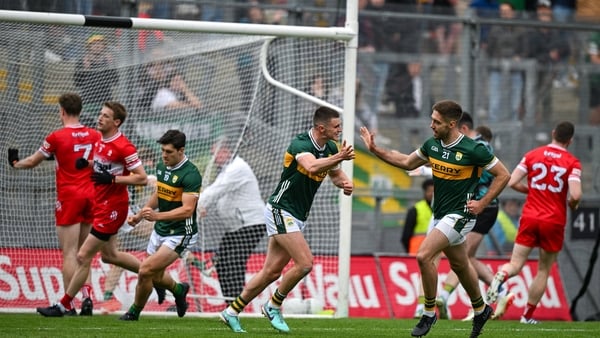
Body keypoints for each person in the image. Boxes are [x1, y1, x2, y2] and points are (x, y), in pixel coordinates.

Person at [359, 100, 510, 337]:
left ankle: (429, 313)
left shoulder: (473, 149)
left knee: (423, 255)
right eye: (432, 119)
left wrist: (482, 203)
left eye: (436, 122)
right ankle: (480, 308)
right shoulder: (433, 145)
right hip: (440, 215)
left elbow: (504, 175)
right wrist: (375, 150)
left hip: (461, 215)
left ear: (452, 124)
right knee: (460, 264)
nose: (431, 125)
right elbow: (406, 162)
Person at [219, 106, 355, 333]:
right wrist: (340, 156)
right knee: (305, 263)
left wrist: (345, 183)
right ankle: (273, 305)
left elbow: (334, 173)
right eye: (336, 126)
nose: (340, 130)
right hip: (280, 210)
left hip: (297, 215)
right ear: (321, 128)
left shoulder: (330, 147)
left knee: (271, 272)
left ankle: (231, 311)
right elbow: (311, 165)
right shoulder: (300, 144)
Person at [36, 101, 148, 317]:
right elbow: (103, 164)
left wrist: (112, 179)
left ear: (116, 122)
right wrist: (86, 164)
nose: (100, 118)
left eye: (106, 116)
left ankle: (64, 305)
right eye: (100, 113)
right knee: (110, 256)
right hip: (100, 205)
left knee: (82, 255)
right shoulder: (100, 142)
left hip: (113, 209)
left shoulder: (124, 146)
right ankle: (155, 276)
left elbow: (142, 178)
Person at [8, 92, 100, 316]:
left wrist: (16, 164)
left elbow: (32, 161)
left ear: (61, 111)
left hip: (69, 197)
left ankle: (69, 304)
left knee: (69, 253)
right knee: (84, 252)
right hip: (92, 195)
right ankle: (87, 296)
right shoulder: (95, 134)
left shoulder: (56, 137)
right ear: (80, 110)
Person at [487, 121, 582, 325]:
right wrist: (572, 205)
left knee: (515, 264)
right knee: (543, 270)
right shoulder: (572, 163)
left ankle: (502, 275)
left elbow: (512, 181)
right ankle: (527, 317)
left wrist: (532, 191)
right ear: (570, 140)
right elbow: (575, 194)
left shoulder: (533, 154)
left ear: (553, 133)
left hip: (530, 216)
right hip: (553, 220)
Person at [435, 112, 514, 321]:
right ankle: (502, 292)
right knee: (466, 256)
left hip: (482, 207)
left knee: (462, 256)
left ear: (462, 129)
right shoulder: (478, 147)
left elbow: (473, 171)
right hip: (481, 207)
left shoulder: (475, 147)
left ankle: (444, 295)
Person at [119, 129, 203, 321]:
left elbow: (187, 210)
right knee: (155, 276)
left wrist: (156, 216)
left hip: (181, 232)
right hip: (161, 229)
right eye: (163, 150)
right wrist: (141, 214)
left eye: (169, 152)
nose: (164, 155)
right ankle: (179, 289)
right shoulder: (162, 166)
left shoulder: (191, 174)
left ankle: (134, 311)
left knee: (145, 270)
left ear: (181, 151)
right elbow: (160, 193)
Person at [198, 139, 266, 304]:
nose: (213, 157)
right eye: (212, 153)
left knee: (233, 262)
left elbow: (215, 191)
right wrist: (202, 207)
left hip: (251, 224)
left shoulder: (237, 168)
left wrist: (195, 206)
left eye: (217, 153)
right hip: (236, 227)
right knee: (222, 263)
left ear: (227, 151)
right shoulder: (227, 169)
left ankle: (235, 306)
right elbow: (221, 194)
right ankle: (231, 304)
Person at [401, 178, 434, 319]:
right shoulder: (416, 209)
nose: (432, 194)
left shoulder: (442, 207)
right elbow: (405, 235)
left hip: (436, 254)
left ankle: (426, 306)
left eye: (435, 191)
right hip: (416, 254)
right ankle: (422, 307)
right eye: (430, 191)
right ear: (424, 192)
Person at [73, 34, 118, 124]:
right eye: (94, 44)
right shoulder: (82, 61)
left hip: (105, 100)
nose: (97, 46)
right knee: (87, 128)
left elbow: (116, 81)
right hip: (88, 102)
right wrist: (85, 69)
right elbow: (77, 83)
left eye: (100, 44)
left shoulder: (108, 61)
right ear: (89, 47)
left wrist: (111, 65)